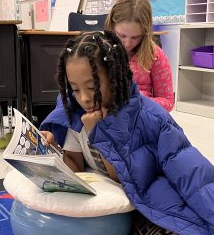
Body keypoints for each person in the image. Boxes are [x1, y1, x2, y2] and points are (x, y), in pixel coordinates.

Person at [39, 30, 214, 234]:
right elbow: (75, 165)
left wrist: (97, 131)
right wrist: (52, 150)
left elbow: (121, 177)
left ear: (113, 79)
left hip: (136, 195)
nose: (84, 98)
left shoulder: (145, 115)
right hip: (101, 201)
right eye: (75, 89)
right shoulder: (76, 114)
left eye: (92, 86)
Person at [104, 0, 175, 112]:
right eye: (121, 35)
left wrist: (138, 101)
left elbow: (168, 101)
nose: (127, 44)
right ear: (111, 26)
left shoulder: (155, 55)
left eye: (135, 37)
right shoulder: (101, 50)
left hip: (142, 116)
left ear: (145, 33)